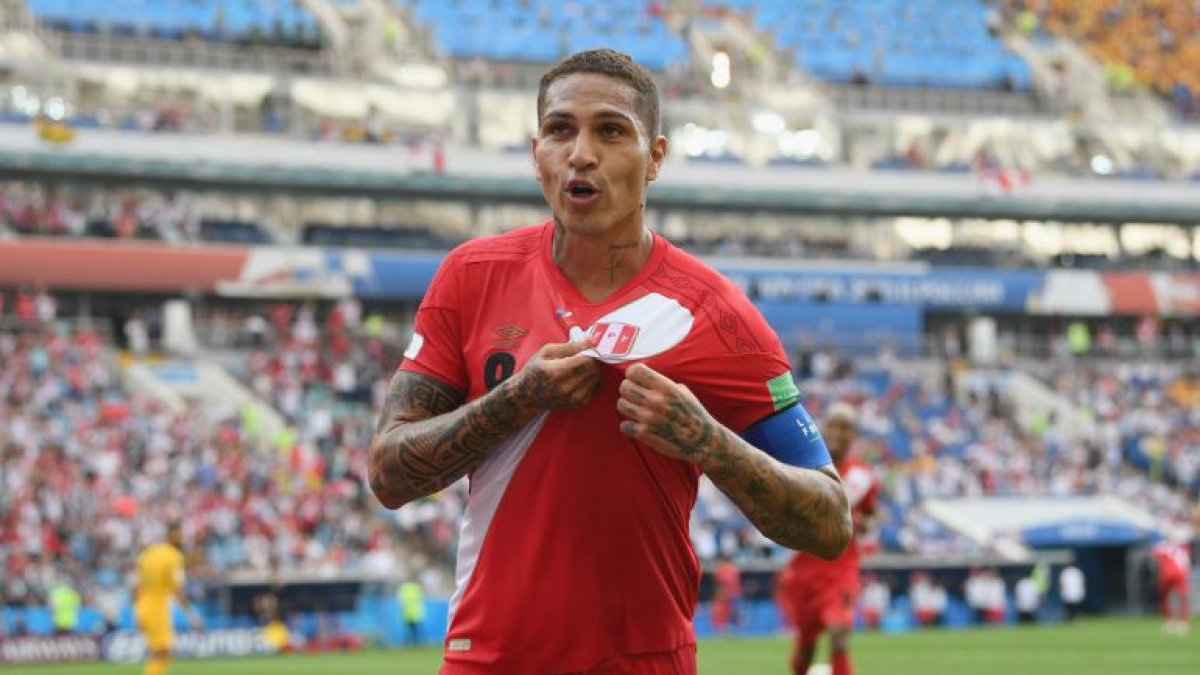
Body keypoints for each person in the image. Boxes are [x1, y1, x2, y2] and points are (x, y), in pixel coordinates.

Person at [367, 48, 852, 675]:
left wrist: (710, 442)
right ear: (536, 151)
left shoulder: (718, 313)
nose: (582, 153)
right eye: (560, 130)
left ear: (655, 158)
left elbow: (829, 521)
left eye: (611, 131)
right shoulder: (471, 276)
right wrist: (518, 398)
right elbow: (388, 473)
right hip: (487, 660)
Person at [778, 403, 878, 675]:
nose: (837, 432)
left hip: (840, 568)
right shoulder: (802, 465)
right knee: (806, 648)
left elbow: (870, 515)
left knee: (838, 633)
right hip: (804, 569)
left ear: (854, 435)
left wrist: (863, 523)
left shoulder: (862, 477)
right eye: (832, 425)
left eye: (844, 427)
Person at [135, 524, 200, 675]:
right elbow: (176, 589)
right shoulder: (174, 556)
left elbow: (138, 583)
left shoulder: (149, 552)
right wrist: (191, 615)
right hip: (157, 609)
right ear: (173, 535)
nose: (182, 538)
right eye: (180, 534)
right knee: (163, 654)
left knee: (159, 654)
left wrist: (137, 609)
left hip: (142, 607)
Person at [1152, 537, 1191, 636]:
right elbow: (1186, 563)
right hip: (1180, 573)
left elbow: (1156, 558)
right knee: (1182, 598)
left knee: (1164, 598)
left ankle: (1169, 622)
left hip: (1167, 573)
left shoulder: (1161, 546)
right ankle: (1182, 622)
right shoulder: (1182, 547)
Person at [399, 579, 427, 646]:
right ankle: (417, 643)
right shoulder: (417, 588)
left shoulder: (404, 588)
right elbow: (422, 598)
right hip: (415, 613)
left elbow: (401, 601)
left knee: (409, 630)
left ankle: (407, 643)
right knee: (415, 630)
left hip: (407, 612)